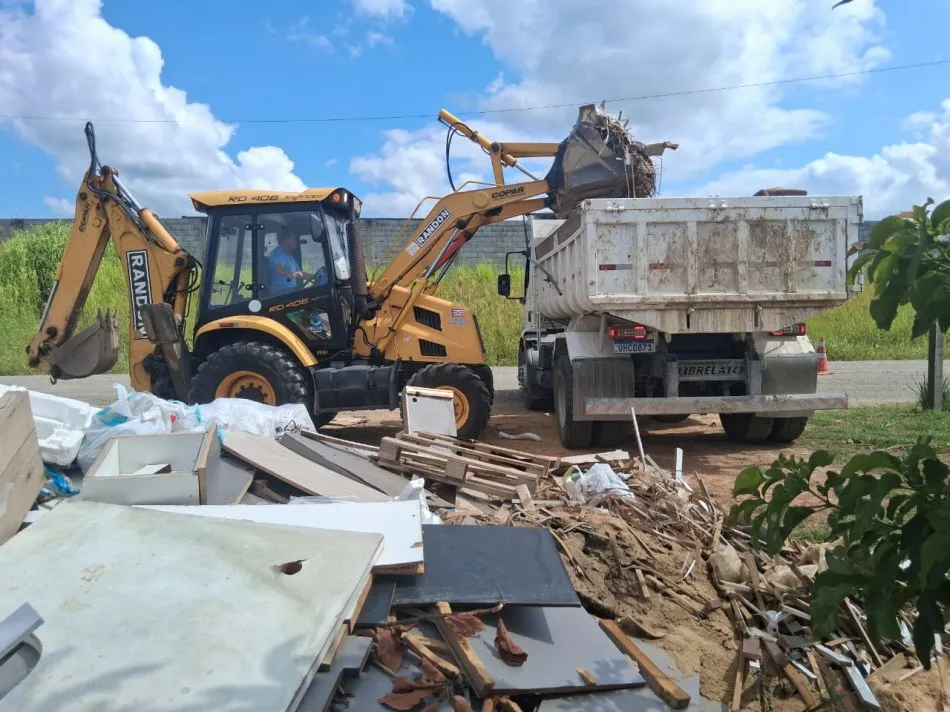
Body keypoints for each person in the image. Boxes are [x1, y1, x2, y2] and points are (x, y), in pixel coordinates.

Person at [267, 229, 328, 296]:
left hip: (291, 290)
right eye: (293, 239)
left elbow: (300, 273)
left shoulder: (289, 256)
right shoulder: (278, 253)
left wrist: (315, 277)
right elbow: (278, 268)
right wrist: (292, 274)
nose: (296, 242)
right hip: (280, 292)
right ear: (285, 240)